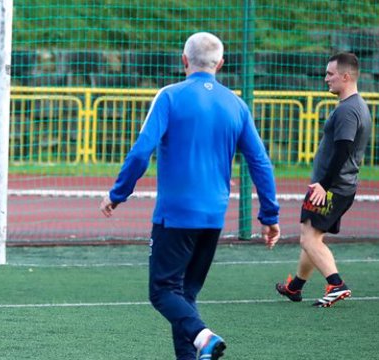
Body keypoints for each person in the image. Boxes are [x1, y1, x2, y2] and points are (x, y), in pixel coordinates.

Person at [99, 32, 280, 360]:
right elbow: (260, 162)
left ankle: (204, 337)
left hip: (175, 216)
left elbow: (142, 152)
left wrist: (118, 193)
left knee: (162, 292)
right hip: (213, 218)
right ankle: (197, 349)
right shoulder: (236, 105)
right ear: (220, 64)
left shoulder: (169, 96)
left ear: (184, 60)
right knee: (184, 296)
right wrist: (270, 216)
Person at [276, 53, 371, 308]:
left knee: (308, 238)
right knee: (312, 236)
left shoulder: (349, 110)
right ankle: (295, 287)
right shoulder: (355, 105)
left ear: (346, 76)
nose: (325, 78)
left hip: (330, 188)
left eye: (330, 74)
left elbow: (343, 150)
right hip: (338, 187)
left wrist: (323, 185)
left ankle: (336, 284)